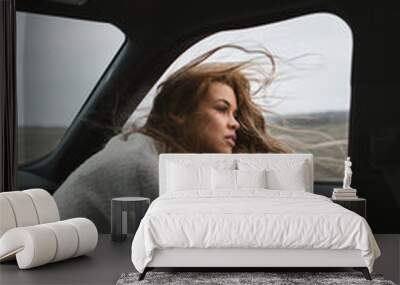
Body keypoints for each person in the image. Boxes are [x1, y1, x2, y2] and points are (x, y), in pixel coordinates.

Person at [53, 45, 290, 233]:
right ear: (178, 111)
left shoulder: (151, 152)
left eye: (235, 114)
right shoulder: (141, 168)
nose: (235, 123)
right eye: (221, 109)